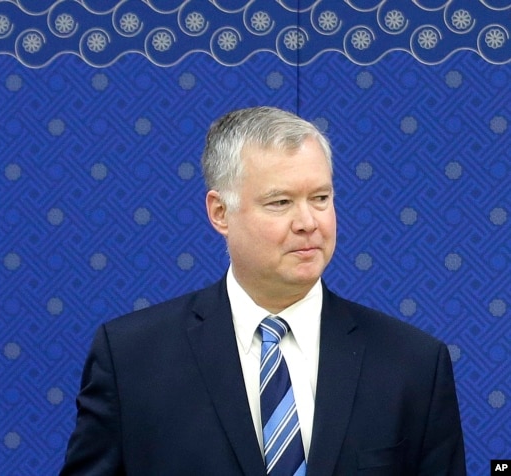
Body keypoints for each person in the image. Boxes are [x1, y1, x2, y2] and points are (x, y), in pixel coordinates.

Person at [59, 106, 466, 475]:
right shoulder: (133, 358)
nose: (308, 222)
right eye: (280, 202)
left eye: (320, 198)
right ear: (220, 212)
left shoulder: (413, 364)